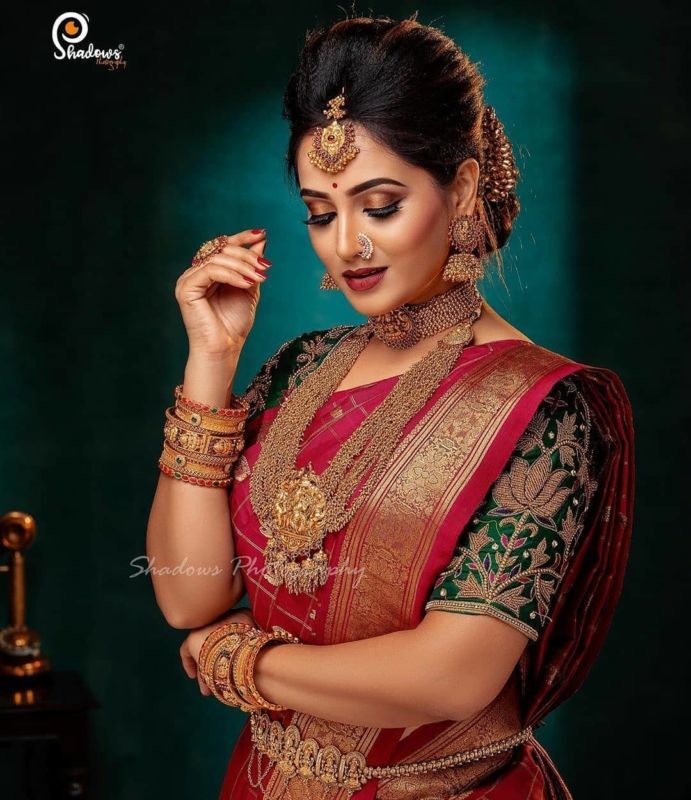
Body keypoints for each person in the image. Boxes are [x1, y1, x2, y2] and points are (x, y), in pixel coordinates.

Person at [146, 13, 635, 800]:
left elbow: (450, 676)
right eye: (319, 211)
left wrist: (241, 662)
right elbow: (189, 593)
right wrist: (212, 361)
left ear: (463, 186)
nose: (345, 245)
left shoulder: (543, 408)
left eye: (378, 205)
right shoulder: (297, 369)